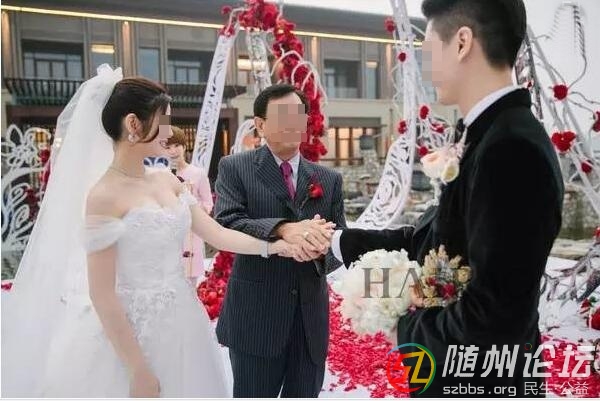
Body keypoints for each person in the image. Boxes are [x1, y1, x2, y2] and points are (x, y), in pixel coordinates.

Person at [1, 65, 297, 398]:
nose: (170, 131)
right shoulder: (103, 196)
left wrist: (273, 246)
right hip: (132, 335)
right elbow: (102, 294)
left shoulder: (166, 179)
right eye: (164, 120)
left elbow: (216, 233)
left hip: (182, 323)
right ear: (133, 124)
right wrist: (137, 369)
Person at [331, 0, 564, 396]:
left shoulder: (511, 150)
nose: (426, 65)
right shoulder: (486, 135)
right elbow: (437, 240)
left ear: (461, 43)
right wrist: (337, 241)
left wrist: (404, 329)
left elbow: (494, 317)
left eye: (428, 49)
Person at [214, 83, 346, 397]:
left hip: (309, 321)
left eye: (298, 114)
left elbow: (340, 240)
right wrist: (285, 229)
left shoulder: (328, 179)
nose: (292, 122)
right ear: (260, 125)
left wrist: (318, 251)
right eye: (282, 115)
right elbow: (228, 221)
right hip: (256, 317)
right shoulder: (235, 168)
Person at [165, 126, 213, 284]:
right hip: (169, 233)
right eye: (168, 147)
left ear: (184, 147)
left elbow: (208, 203)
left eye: (177, 145)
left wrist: (194, 210)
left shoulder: (198, 173)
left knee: (191, 282)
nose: (173, 151)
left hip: (192, 233)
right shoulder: (162, 175)